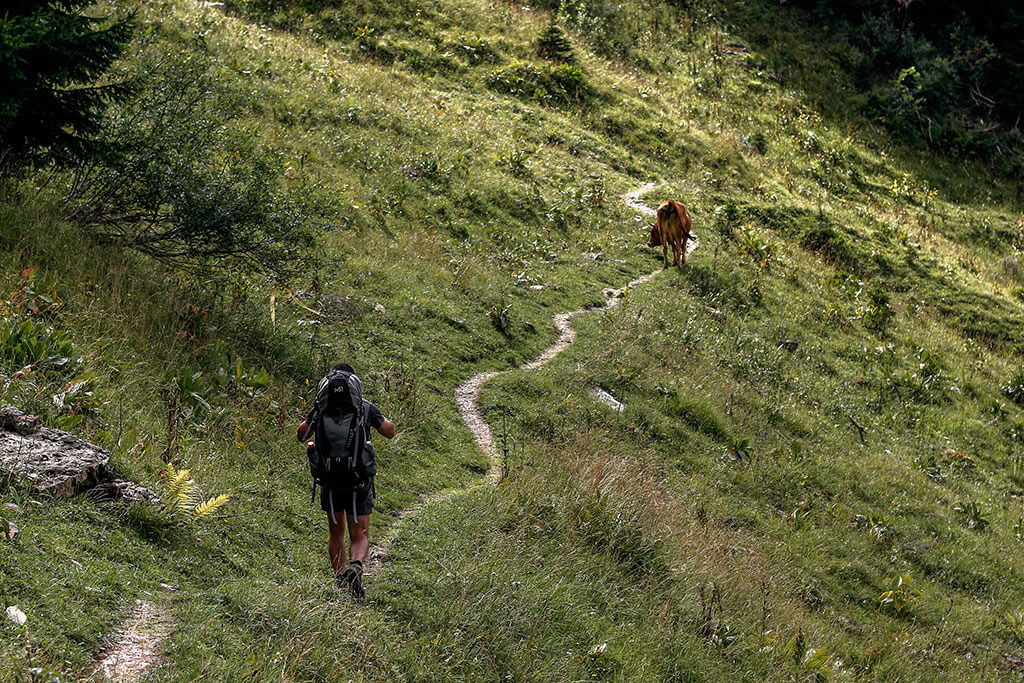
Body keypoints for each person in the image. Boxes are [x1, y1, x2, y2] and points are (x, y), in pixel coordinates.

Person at [297, 363, 395, 597]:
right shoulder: (364, 407)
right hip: (358, 480)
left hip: (330, 480)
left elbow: (302, 434)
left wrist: (315, 413)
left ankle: (340, 578)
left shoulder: (320, 409)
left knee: (336, 533)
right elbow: (389, 431)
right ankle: (356, 567)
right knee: (359, 533)